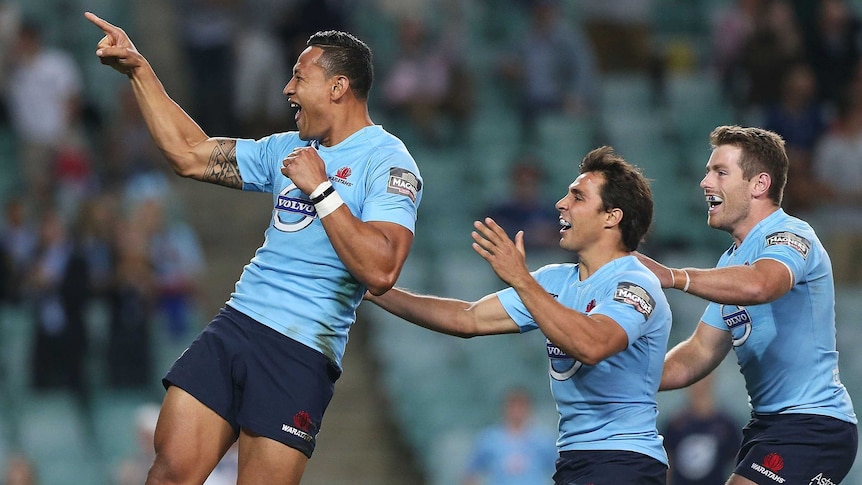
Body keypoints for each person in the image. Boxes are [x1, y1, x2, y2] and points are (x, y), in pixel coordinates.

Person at [85, 11, 422, 485]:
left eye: (298, 77)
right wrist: (140, 71)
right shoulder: (287, 148)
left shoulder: (388, 163)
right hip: (238, 324)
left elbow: (383, 269)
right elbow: (189, 153)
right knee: (167, 474)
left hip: (301, 352)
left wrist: (322, 191)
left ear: (338, 87)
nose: (286, 89)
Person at [367, 146, 671, 484]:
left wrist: (522, 279)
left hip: (624, 461)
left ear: (611, 216)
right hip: (575, 460)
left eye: (578, 197)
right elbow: (467, 318)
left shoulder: (635, 283)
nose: (561, 203)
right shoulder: (553, 280)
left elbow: (593, 344)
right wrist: (373, 289)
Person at [636, 125, 858, 484]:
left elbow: (764, 284)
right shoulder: (730, 263)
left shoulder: (791, 235)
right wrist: (630, 377)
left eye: (720, 172)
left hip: (813, 425)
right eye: (709, 171)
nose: (705, 182)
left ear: (759, 184)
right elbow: (699, 352)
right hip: (767, 427)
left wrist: (674, 276)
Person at [461, 387, 557, 485]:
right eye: (512, 406)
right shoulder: (489, 439)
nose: (516, 411)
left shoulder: (543, 439)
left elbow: (559, 471)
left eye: (521, 406)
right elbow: (470, 474)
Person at [662, 374, 741, 485]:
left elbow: (738, 463)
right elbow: (668, 462)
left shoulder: (727, 425)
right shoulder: (675, 424)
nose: (699, 386)